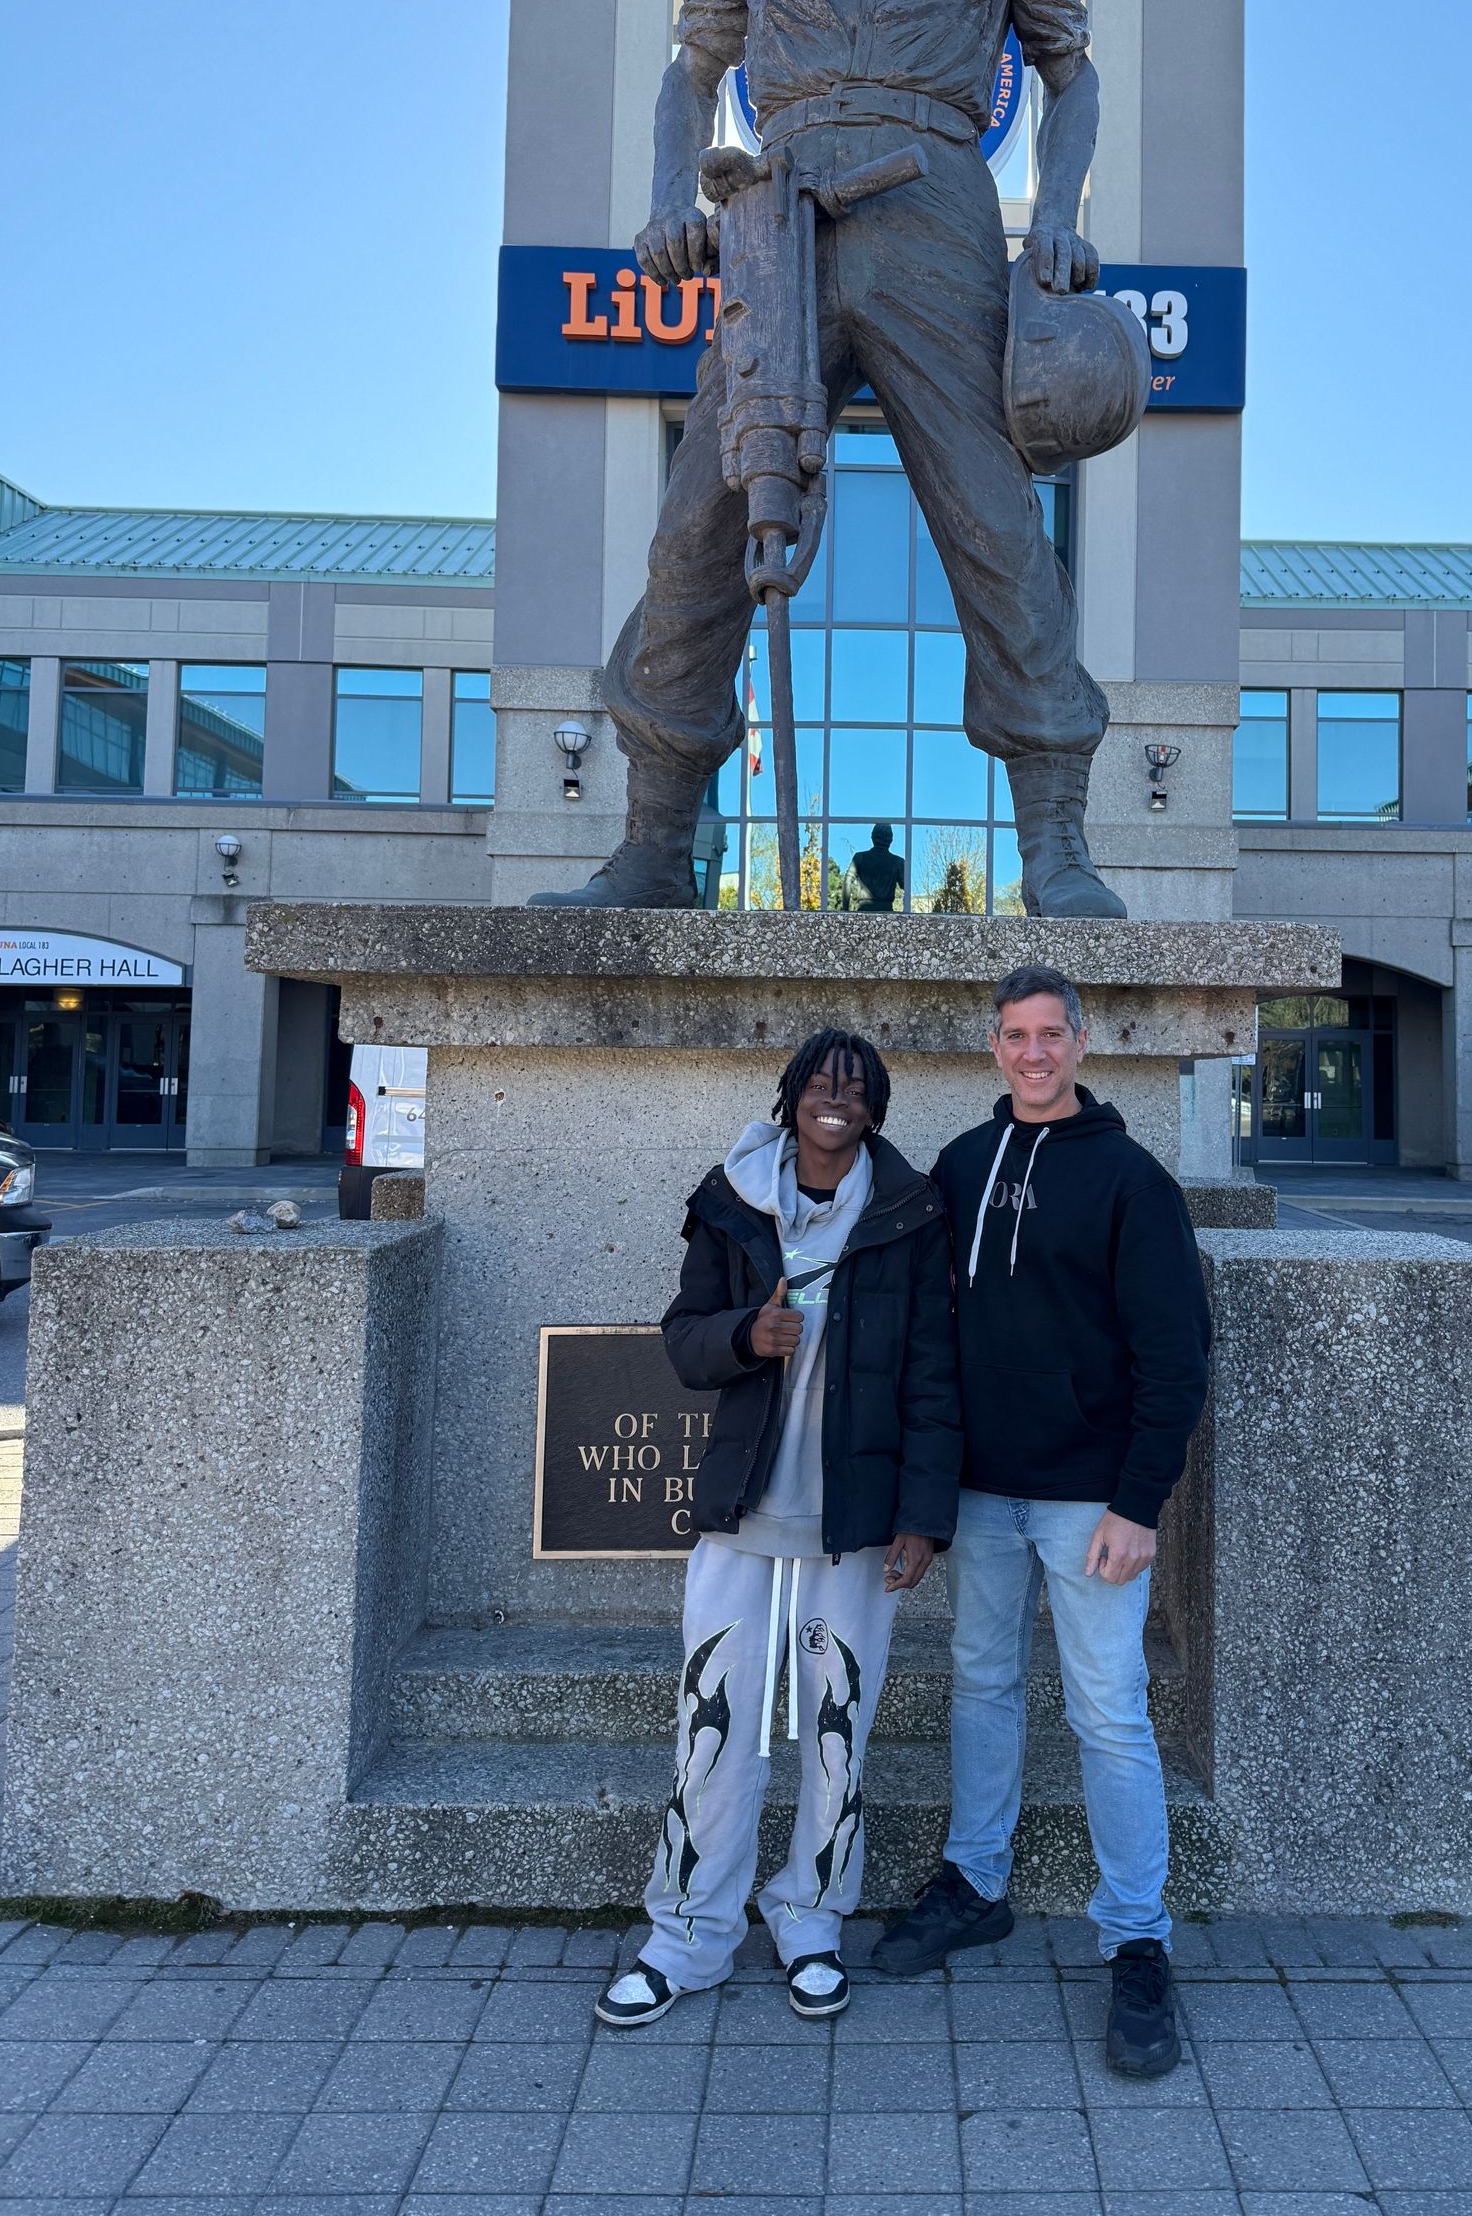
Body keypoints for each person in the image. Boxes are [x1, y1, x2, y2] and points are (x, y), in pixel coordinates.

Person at [530, 0, 1126, 919]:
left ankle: (1059, 844)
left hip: (936, 211)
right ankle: (649, 842)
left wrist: (1058, 225)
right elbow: (692, 70)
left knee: (994, 523)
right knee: (698, 522)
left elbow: (1072, 78)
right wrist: (668, 199)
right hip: (777, 219)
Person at [872, 966, 1211, 2078]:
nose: (1032, 1053)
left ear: (1081, 1041)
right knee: (982, 1684)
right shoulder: (964, 1165)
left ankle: (1138, 1935)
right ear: (993, 1043)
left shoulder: (1130, 1179)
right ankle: (976, 1883)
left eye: (1049, 1035)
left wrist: (1138, 1501)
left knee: (1108, 1710)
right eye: (1014, 1036)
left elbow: (1175, 1358)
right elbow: (924, 1324)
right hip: (980, 1495)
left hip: (1088, 1507)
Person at [596, 1029, 959, 2030]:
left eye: (854, 1090)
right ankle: (687, 1937)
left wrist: (925, 1519)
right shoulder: (730, 1199)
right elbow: (682, 1338)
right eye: (819, 1086)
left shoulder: (909, 1212)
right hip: (742, 1519)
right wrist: (743, 1338)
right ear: (792, 1097)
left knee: (836, 1736)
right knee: (715, 1732)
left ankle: (809, 1920)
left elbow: (936, 1375)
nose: (834, 1102)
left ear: (875, 1111)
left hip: (852, 1526)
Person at [847, 823, 905, 914]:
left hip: (864, 911)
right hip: (887, 912)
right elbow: (907, 887)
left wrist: (845, 911)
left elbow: (847, 881)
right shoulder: (898, 862)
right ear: (891, 839)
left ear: (872, 837)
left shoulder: (860, 857)